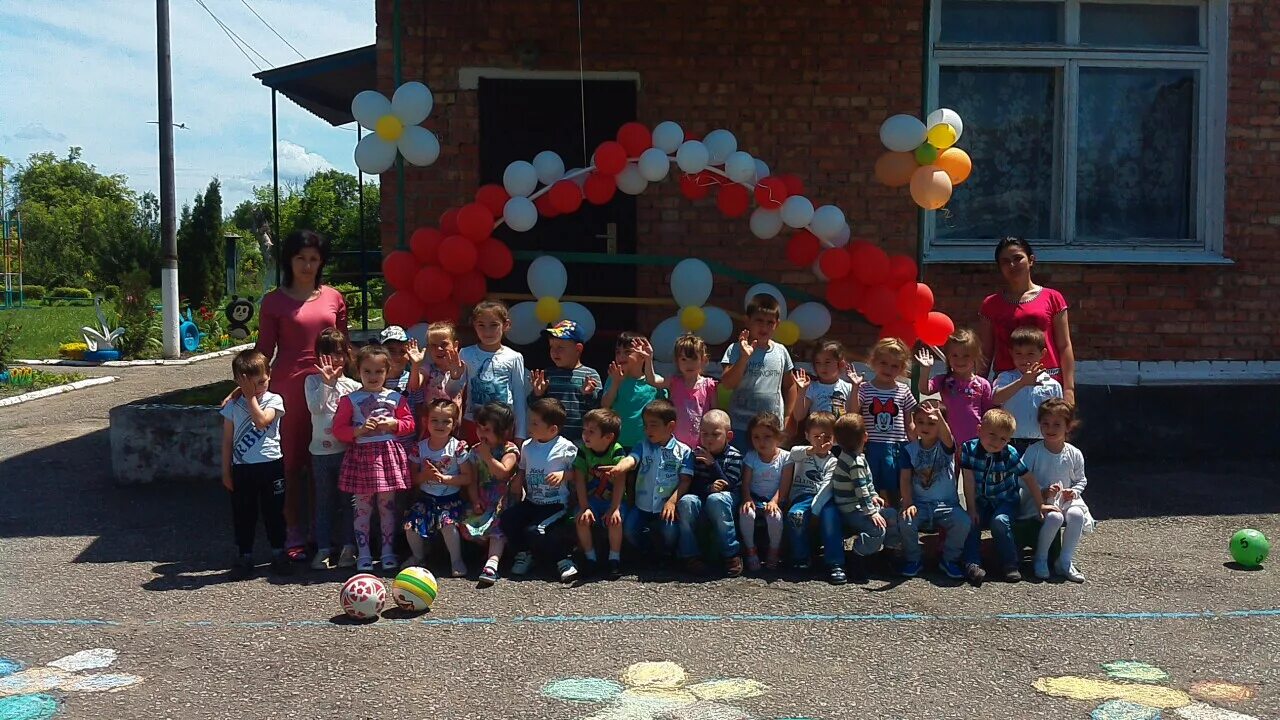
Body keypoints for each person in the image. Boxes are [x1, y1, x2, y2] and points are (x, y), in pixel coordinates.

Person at [254, 229, 348, 561]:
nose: (307, 265)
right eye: (300, 258)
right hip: (288, 389)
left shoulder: (334, 298)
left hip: (330, 387)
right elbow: (263, 351)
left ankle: (324, 533)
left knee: (327, 460)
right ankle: (293, 531)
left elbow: (343, 347)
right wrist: (245, 388)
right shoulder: (274, 300)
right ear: (289, 261)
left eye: (313, 259)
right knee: (292, 463)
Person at [331, 344, 415, 572]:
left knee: (387, 506)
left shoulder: (396, 398)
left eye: (379, 371)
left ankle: (387, 552)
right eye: (367, 371)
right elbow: (338, 429)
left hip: (387, 455)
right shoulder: (350, 399)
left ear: (387, 372)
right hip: (362, 456)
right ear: (358, 371)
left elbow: (410, 424)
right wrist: (358, 431)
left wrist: (394, 424)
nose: (373, 376)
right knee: (362, 507)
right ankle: (364, 554)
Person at [980, 237, 1076, 405]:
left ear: (1031, 260)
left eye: (1017, 258)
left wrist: (1069, 390)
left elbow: (1064, 345)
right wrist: (978, 388)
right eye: (1005, 261)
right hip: (1007, 384)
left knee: (1048, 431)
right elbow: (985, 352)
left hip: (1047, 382)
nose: (1012, 265)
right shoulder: (991, 304)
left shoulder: (1052, 298)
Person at [960, 408, 1051, 585]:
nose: (996, 442)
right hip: (981, 499)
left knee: (1000, 521)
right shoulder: (968, 449)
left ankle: (1009, 563)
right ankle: (972, 562)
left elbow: (1029, 478)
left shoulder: (1009, 454)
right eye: (992, 434)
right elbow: (968, 480)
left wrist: (1041, 504)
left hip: (1005, 499)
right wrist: (971, 508)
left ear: (1008, 440)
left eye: (1002, 439)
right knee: (971, 521)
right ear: (979, 430)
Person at [220, 349, 289, 578]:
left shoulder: (274, 399)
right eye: (251, 384)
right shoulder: (232, 406)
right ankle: (244, 554)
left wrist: (249, 396)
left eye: (262, 381)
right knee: (243, 513)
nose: (258, 387)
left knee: (274, 512)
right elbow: (227, 440)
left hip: (270, 465)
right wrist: (225, 471)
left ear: (269, 375)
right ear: (239, 382)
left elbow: (261, 422)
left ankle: (279, 551)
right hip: (242, 468)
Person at [606, 399, 695, 561]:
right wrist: (619, 468)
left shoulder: (685, 451)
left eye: (653, 425)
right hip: (642, 506)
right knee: (629, 530)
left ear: (670, 426)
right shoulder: (642, 446)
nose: (648, 430)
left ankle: (667, 554)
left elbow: (685, 481)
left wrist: (672, 502)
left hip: (665, 506)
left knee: (670, 532)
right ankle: (647, 551)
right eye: (645, 425)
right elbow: (632, 459)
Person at [501, 398, 579, 582]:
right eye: (530, 421)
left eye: (535, 423)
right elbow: (522, 468)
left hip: (555, 504)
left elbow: (579, 473)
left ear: (552, 429)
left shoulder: (566, 448)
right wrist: (518, 481)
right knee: (507, 519)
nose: (530, 426)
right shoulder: (528, 446)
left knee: (537, 529)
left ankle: (564, 560)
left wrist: (564, 475)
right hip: (532, 501)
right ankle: (525, 553)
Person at [304, 328, 360, 570]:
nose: (333, 360)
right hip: (320, 453)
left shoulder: (353, 386)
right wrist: (326, 384)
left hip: (347, 452)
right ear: (317, 356)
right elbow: (316, 409)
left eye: (338, 354)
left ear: (347, 355)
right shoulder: (312, 381)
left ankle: (349, 547)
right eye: (327, 354)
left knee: (349, 502)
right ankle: (324, 549)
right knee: (324, 502)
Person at [1020, 399, 1093, 582]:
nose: (1050, 428)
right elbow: (1020, 478)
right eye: (1045, 423)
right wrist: (1043, 492)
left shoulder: (1074, 453)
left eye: (1057, 424)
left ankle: (1065, 560)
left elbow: (1081, 480)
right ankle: (1041, 558)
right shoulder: (1034, 451)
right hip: (1038, 501)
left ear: (1068, 427)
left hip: (1065, 500)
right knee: (1055, 517)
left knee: (1077, 514)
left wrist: (1073, 492)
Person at [897, 402, 972, 580]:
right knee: (906, 521)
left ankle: (949, 560)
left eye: (932, 422)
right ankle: (913, 559)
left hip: (947, 504)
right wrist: (907, 503)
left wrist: (938, 415)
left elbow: (948, 437)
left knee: (963, 522)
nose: (925, 427)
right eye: (920, 422)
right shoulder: (909, 450)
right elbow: (905, 479)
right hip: (919, 504)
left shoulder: (946, 446)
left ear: (941, 424)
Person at [404, 400, 474, 577]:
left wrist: (445, 479)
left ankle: (456, 560)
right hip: (426, 499)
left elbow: (468, 477)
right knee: (410, 525)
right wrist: (424, 476)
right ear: (425, 421)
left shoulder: (457, 448)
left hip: (450, 501)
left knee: (447, 525)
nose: (440, 425)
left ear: (454, 423)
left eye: (446, 421)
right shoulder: (419, 448)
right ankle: (418, 556)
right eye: (434, 420)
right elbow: (411, 478)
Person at [721, 293, 797, 451]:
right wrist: (743, 358)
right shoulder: (735, 349)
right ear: (748, 320)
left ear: (777, 324)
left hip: (772, 428)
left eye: (770, 322)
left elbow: (790, 385)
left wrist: (788, 416)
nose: (764, 327)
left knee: (767, 471)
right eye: (759, 321)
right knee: (741, 471)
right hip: (741, 427)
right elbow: (727, 384)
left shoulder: (781, 352)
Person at [829, 413, 898, 584]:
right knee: (877, 529)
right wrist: (872, 512)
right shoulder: (854, 463)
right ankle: (857, 557)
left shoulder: (858, 458)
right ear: (865, 437)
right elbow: (860, 491)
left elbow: (867, 484)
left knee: (891, 515)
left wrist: (874, 496)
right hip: (851, 509)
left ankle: (886, 556)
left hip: (860, 505)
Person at [676, 409, 744, 576]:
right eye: (704, 434)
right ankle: (690, 555)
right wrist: (709, 489)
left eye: (715, 435)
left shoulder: (735, 456)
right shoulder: (695, 455)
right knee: (686, 502)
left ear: (728, 436)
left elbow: (729, 484)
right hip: (703, 495)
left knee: (717, 499)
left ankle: (731, 554)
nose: (708, 439)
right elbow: (693, 485)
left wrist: (713, 464)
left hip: (728, 498)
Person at [459, 402, 520, 587]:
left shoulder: (510, 450)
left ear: (502, 431)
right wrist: (475, 499)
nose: (481, 433)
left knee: (497, 526)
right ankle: (483, 552)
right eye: (479, 428)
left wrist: (488, 456)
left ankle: (492, 563)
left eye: (487, 429)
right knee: (466, 522)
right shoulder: (475, 450)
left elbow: (503, 472)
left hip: (503, 500)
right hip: (484, 498)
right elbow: (473, 479)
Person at [852, 338, 917, 502]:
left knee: (894, 484)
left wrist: (916, 446)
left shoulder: (904, 390)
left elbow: (909, 422)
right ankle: (875, 515)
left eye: (894, 366)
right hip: (871, 445)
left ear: (902, 368)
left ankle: (894, 515)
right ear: (873, 362)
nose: (888, 369)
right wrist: (854, 388)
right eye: (884, 363)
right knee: (872, 481)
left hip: (897, 446)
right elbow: (852, 412)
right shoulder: (865, 388)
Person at [779, 412, 842, 573]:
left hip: (824, 498)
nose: (822, 441)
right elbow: (793, 453)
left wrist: (815, 511)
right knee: (796, 515)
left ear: (835, 438)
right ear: (807, 436)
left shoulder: (833, 461)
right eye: (816, 436)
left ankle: (834, 562)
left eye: (827, 437)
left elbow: (826, 487)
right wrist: (813, 450)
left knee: (831, 516)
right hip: (802, 496)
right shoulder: (801, 453)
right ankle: (801, 557)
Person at [571, 408, 629, 579]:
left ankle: (614, 558)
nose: (585, 435)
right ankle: (590, 558)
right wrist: (584, 507)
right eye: (584, 430)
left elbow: (620, 481)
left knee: (615, 521)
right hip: (592, 500)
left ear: (608, 437)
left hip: (615, 499)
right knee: (581, 519)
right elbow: (579, 480)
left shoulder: (616, 451)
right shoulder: (583, 450)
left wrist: (615, 508)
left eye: (591, 432)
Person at [461, 300, 528, 443]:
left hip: (503, 425)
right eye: (481, 325)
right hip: (474, 423)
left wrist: (520, 434)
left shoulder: (514, 357)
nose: (487, 331)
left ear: (506, 325)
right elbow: (456, 390)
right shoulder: (466, 353)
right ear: (474, 325)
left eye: (494, 325)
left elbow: (519, 397)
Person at [913, 327, 993, 446]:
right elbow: (924, 390)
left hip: (974, 442)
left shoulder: (983, 384)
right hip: (947, 439)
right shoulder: (943, 380)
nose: (960, 360)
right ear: (948, 357)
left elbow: (988, 414)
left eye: (966, 356)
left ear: (975, 356)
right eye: (955, 355)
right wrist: (926, 370)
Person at [993, 326, 1064, 455]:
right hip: (1010, 443)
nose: (1024, 359)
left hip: (1042, 444)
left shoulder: (1052, 385)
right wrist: (1022, 382)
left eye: (1030, 354)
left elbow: (1059, 416)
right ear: (1011, 353)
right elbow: (996, 398)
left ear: (1042, 354)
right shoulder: (1006, 378)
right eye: (1018, 353)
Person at [530, 320, 602, 443]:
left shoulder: (590, 375)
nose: (554, 352)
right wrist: (537, 394)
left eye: (560, 347)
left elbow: (598, 409)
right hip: (551, 440)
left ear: (578, 349)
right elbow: (535, 408)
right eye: (551, 347)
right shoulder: (548, 374)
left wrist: (589, 395)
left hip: (579, 440)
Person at [645, 333, 718, 449]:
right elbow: (652, 380)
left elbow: (715, 416)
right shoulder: (674, 382)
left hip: (700, 446)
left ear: (703, 360)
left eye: (694, 359)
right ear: (677, 362)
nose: (689, 364)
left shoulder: (709, 385)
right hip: (675, 446)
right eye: (684, 359)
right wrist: (649, 358)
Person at [737, 411, 787, 572]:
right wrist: (747, 499)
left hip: (775, 499)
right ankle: (751, 550)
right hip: (755, 498)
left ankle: (774, 549)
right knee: (746, 514)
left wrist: (774, 501)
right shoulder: (751, 457)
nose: (761, 442)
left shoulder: (785, 457)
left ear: (778, 437)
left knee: (775, 517)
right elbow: (745, 483)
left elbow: (784, 485)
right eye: (756, 437)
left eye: (767, 437)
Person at [601, 332, 662, 450]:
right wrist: (615, 383)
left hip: (646, 444)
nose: (621, 356)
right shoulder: (614, 378)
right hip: (617, 443)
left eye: (627, 352)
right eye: (618, 352)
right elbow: (605, 405)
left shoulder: (654, 382)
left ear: (642, 356)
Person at [406, 321, 466, 420]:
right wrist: (415, 365)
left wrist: (455, 377)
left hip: (452, 423)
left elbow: (455, 393)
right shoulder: (427, 368)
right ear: (428, 348)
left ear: (455, 345)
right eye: (433, 345)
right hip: (431, 423)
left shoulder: (463, 367)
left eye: (444, 344)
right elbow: (414, 386)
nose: (439, 348)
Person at [791, 338, 854, 424]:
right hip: (817, 435)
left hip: (840, 435)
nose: (822, 367)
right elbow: (798, 416)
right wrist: (801, 391)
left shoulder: (849, 387)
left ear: (840, 363)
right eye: (818, 362)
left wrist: (856, 387)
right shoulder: (811, 387)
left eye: (827, 362)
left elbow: (854, 415)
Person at [380, 325, 412, 393]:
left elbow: (419, 403)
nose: (397, 356)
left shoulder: (413, 379)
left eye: (403, 351)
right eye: (391, 350)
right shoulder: (373, 378)